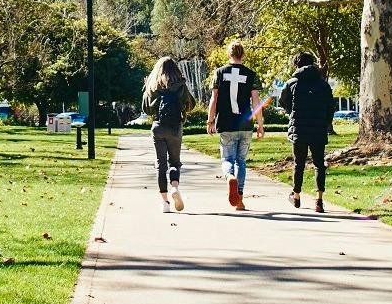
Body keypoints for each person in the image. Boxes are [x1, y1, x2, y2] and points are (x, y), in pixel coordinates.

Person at [207, 41, 267, 210]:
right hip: (245, 124)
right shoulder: (251, 74)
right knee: (241, 161)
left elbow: (214, 99)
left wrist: (210, 121)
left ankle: (229, 177)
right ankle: (239, 198)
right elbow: (256, 102)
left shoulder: (219, 73)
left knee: (227, 159)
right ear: (243, 55)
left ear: (228, 54)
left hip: (226, 123)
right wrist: (260, 125)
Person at [278, 51, 336, 212]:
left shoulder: (292, 83)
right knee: (319, 164)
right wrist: (325, 122)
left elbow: (284, 102)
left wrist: (293, 114)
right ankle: (319, 201)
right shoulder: (323, 84)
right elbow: (331, 106)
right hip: (318, 129)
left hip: (299, 129)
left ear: (297, 64)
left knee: (299, 163)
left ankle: (296, 196)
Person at [141, 56, 197, 212]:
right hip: (175, 127)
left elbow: (146, 109)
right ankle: (174, 187)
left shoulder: (152, 86)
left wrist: (146, 88)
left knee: (161, 165)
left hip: (158, 127)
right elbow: (191, 105)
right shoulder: (180, 85)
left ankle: (165, 203)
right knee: (175, 162)